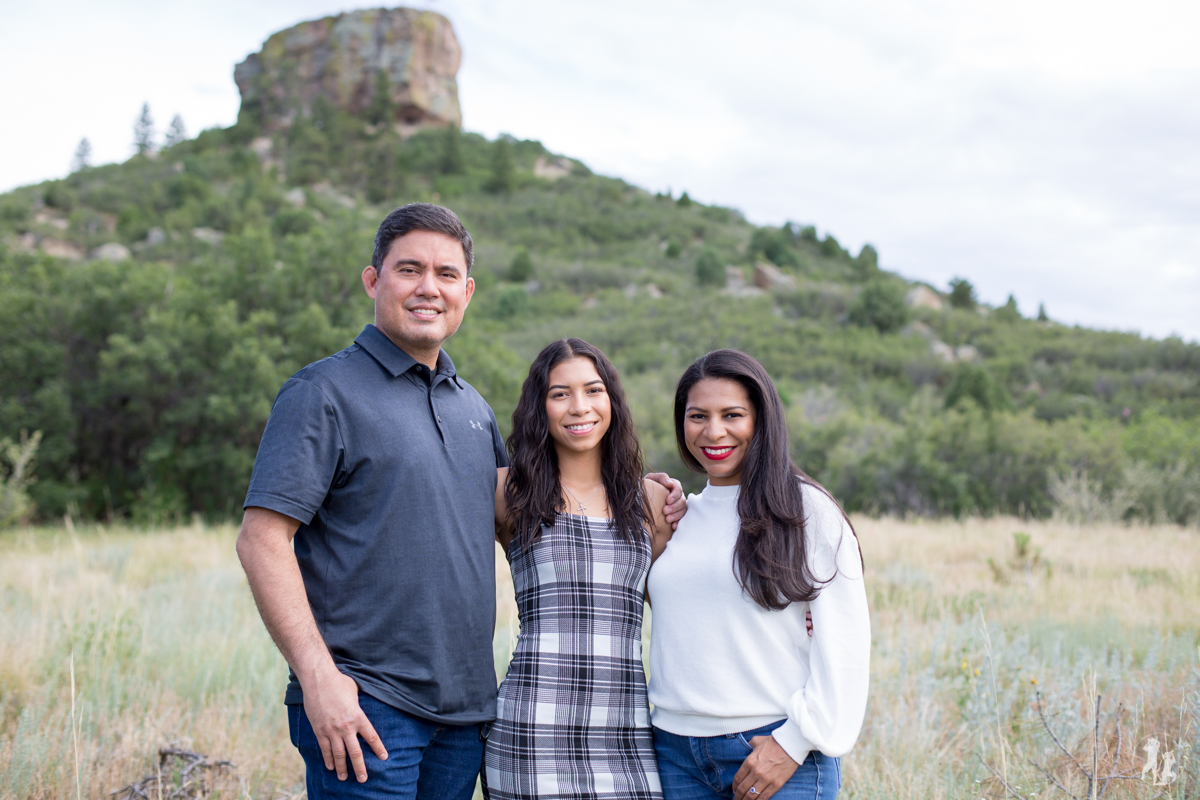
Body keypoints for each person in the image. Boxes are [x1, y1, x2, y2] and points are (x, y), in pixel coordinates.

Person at [236, 203, 686, 800]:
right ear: (374, 280)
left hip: (465, 719)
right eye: (409, 270)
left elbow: (555, 509)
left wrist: (644, 487)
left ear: (466, 292)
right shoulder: (323, 392)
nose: (429, 288)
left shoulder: (471, 408)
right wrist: (319, 679)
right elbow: (262, 539)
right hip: (367, 704)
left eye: (446, 274)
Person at [648, 349, 870, 800]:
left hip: (771, 749)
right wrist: (651, 501)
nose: (714, 432)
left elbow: (846, 642)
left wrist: (792, 745)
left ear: (762, 420)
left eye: (733, 414)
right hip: (673, 753)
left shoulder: (806, 510)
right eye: (697, 416)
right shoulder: (679, 517)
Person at [484, 338, 674, 800]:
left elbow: (681, 604)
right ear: (539, 407)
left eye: (593, 390)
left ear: (611, 400)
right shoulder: (507, 492)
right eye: (559, 393)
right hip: (531, 730)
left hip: (625, 734)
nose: (579, 407)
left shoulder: (650, 501)